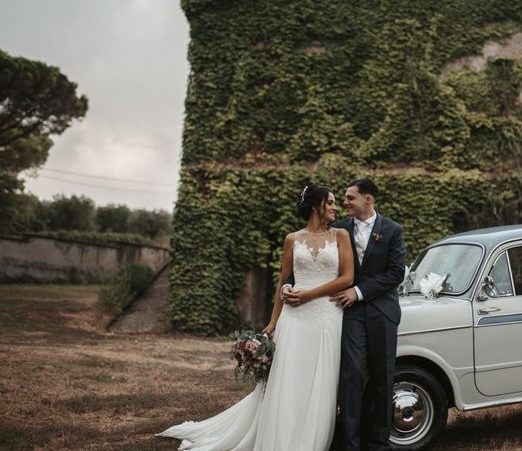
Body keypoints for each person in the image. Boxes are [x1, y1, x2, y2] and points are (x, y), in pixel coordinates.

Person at [157, 185, 354, 451]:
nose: (334, 208)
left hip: (326, 318)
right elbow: (283, 281)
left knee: (319, 381)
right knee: (288, 379)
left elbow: (347, 278)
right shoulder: (292, 239)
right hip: (294, 318)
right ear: (315, 205)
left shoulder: (341, 235)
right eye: (329, 203)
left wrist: (308, 295)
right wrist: (273, 323)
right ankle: (281, 437)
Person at [283, 177, 406, 451]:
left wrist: (358, 291)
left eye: (350, 198)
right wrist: (289, 286)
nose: (345, 202)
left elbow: (396, 273)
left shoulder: (393, 230)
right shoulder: (338, 230)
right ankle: (349, 443)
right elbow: (308, 260)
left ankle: (378, 443)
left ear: (368, 199)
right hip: (346, 313)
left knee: (382, 378)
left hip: (381, 312)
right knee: (349, 377)